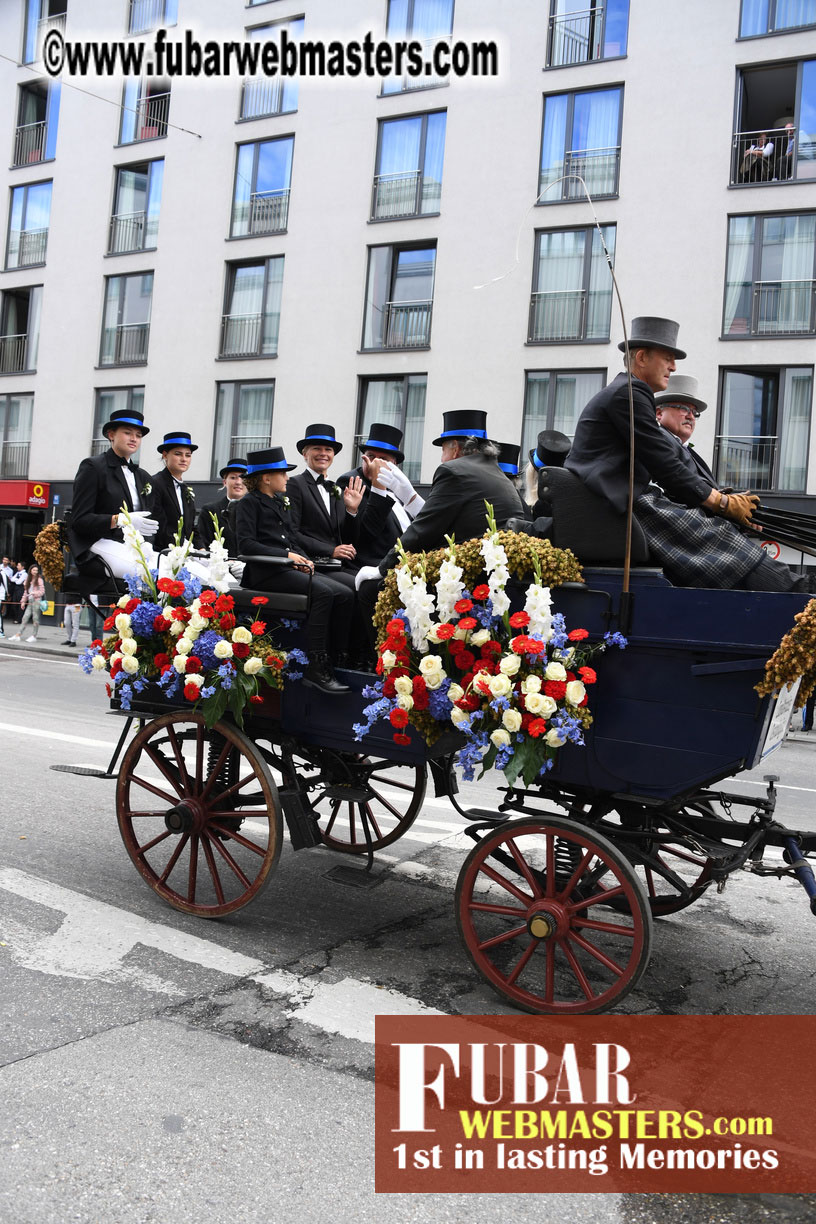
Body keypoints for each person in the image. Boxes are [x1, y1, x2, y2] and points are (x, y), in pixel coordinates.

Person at [564, 315, 816, 592]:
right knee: (719, 538)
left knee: (715, 532)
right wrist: (721, 503)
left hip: (626, 499)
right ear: (642, 357)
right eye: (668, 358)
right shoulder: (630, 392)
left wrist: (725, 501)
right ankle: (799, 593)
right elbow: (666, 465)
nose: (673, 367)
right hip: (621, 504)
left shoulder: (627, 392)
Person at [355, 409, 526, 588]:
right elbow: (442, 520)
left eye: (443, 449)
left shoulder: (453, 471)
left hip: (468, 575)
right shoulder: (494, 470)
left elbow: (423, 530)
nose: (442, 458)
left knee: (371, 589)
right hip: (494, 569)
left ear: (455, 448)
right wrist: (410, 496)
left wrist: (381, 569)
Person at [235, 447, 354, 694]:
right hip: (266, 573)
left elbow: (291, 538)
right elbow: (246, 544)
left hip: (288, 568)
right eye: (283, 473)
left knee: (345, 594)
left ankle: (338, 656)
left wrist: (305, 559)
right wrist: (287, 556)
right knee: (322, 592)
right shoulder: (248, 503)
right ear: (266, 478)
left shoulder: (279, 502)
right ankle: (316, 666)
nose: (288, 478)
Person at [67, 406, 159, 579]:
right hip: (97, 543)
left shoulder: (143, 476)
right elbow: (79, 521)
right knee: (147, 575)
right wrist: (119, 520)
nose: (134, 439)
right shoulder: (93, 467)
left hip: (132, 546)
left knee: (169, 573)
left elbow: (149, 521)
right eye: (128, 433)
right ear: (111, 435)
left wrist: (147, 545)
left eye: (138, 436)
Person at [335, 423, 426, 568]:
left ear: (394, 464)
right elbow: (366, 534)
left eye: (383, 459)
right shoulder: (351, 482)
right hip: (373, 565)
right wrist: (379, 487)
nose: (375, 464)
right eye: (371, 457)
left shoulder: (398, 484)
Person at [286, 424, 364, 566]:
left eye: (328, 449)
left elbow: (347, 537)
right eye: (317, 448)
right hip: (311, 562)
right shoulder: (295, 484)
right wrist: (330, 550)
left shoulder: (336, 489)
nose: (323, 453)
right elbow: (292, 532)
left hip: (339, 564)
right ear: (305, 454)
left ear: (333, 455)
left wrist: (352, 511)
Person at [654, 374, 716, 482]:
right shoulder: (657, 439)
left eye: (694, 412)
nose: (691, 416)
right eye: (683, 408)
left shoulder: (685, 448)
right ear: (659, 413)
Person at [151, 431, 198, 551]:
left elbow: (191, 527)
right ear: (165, 455)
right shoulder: (156, 483)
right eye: (178, 454)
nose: (184, 459)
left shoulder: (186, 489)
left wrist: (201, 548)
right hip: (163, 551)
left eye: (188, 455)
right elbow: (158, 524)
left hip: (185, 551)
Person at [196, 457, 248, 555]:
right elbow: (204, 542)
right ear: (224, 482)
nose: (238, 482)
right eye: (233, 477)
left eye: (243, 478)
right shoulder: (210, 510)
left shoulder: (255, 511)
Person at [10, 564, 45, 642]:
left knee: (35, 618)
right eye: (34, 570)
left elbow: (42, 591)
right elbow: (25, 592)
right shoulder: (28, 579)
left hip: (36, 601)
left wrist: (34, 593)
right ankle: (18, 634)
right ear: (30, 571)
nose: (35, 572)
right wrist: (23, 601)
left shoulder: (39, 579)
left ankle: (34, 636)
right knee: (25, 617)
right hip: (30, 601)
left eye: (36, 570)